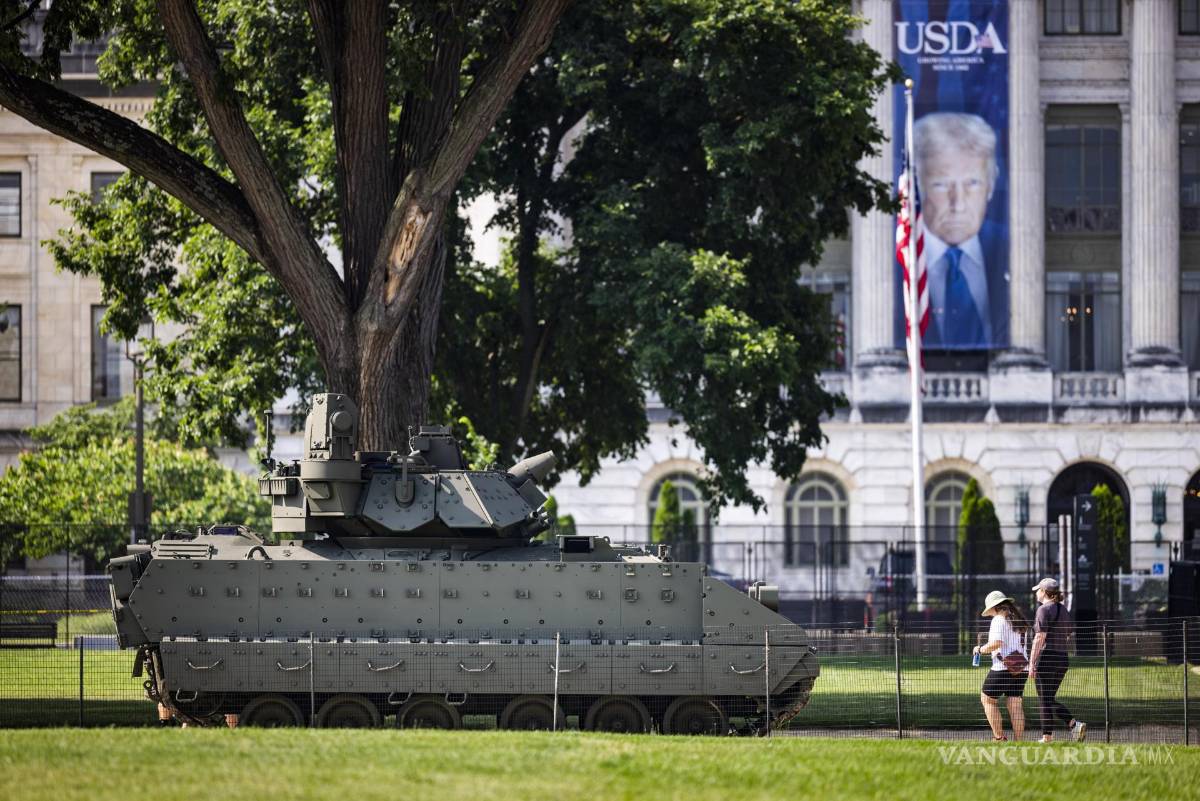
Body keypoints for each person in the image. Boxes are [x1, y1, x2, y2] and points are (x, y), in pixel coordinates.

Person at [912, 111, 1009, 350]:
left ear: (991, 184)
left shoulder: (1013, 249)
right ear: (918, 183)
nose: (958, 204)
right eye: (941, 184)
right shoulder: (894, 255)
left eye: (972, 183)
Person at [1028, 577, 1086, 743]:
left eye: (1038, 590)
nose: (1036, 593)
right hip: (1062, 658)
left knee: (1044, 700)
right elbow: (1068, 634)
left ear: (1045, 592)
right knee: (1048, 698)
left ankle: (1047, 737)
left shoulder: (1043, 610)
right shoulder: (1063, 610)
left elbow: (1039, 637)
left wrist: (1032, 663)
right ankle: (1073, 724)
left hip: (1047, 658)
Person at [972, 590, 1029, 741]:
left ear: (994, 606)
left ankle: (999, 738)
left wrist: (980, 649)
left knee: (988, 699)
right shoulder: (1018, 619)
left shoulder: (998, 619)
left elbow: (997, 643)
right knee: (1014, 703)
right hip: (1021, 667)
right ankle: (1019, 741)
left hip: (1003, 667)